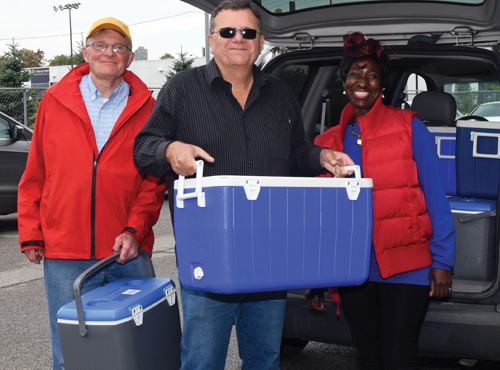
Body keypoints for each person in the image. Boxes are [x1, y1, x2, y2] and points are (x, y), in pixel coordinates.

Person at [133, 1, 354, 368]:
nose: (239, 39)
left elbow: (296, 154)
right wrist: (170, 149)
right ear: (212, 39)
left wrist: (322, 158)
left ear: (261, 41)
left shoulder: (281, 94)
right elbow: (142, 149)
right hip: (208, 255)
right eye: (228, 31)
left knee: (265, 359)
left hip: (269, 254)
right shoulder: (181, 89)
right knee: (203, 360)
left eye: (248, 32)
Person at [17, 17, 166, 370]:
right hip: (65, 252)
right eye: (100, 45)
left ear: (129, 58)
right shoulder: (54, 100)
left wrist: (134, 230)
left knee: (137, 350)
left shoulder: (149, 107)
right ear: (86, 53)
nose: (108, 53)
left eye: (118, 47)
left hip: (126, 252)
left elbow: (152, 182)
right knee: (71, 353)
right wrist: (31, 233)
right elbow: (36, 171)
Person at [311, 32, 456, 370]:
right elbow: (322, 217)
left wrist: (443, 262)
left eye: (372, 74)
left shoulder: (410, 128)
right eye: (355, 73)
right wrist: (317, 275)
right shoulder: (327, 143)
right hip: (352, 268)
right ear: (344, 81)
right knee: (368, 356)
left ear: (382, 85)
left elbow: (436, 197)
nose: (363, 81)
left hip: (408, 266)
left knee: (398, 356)